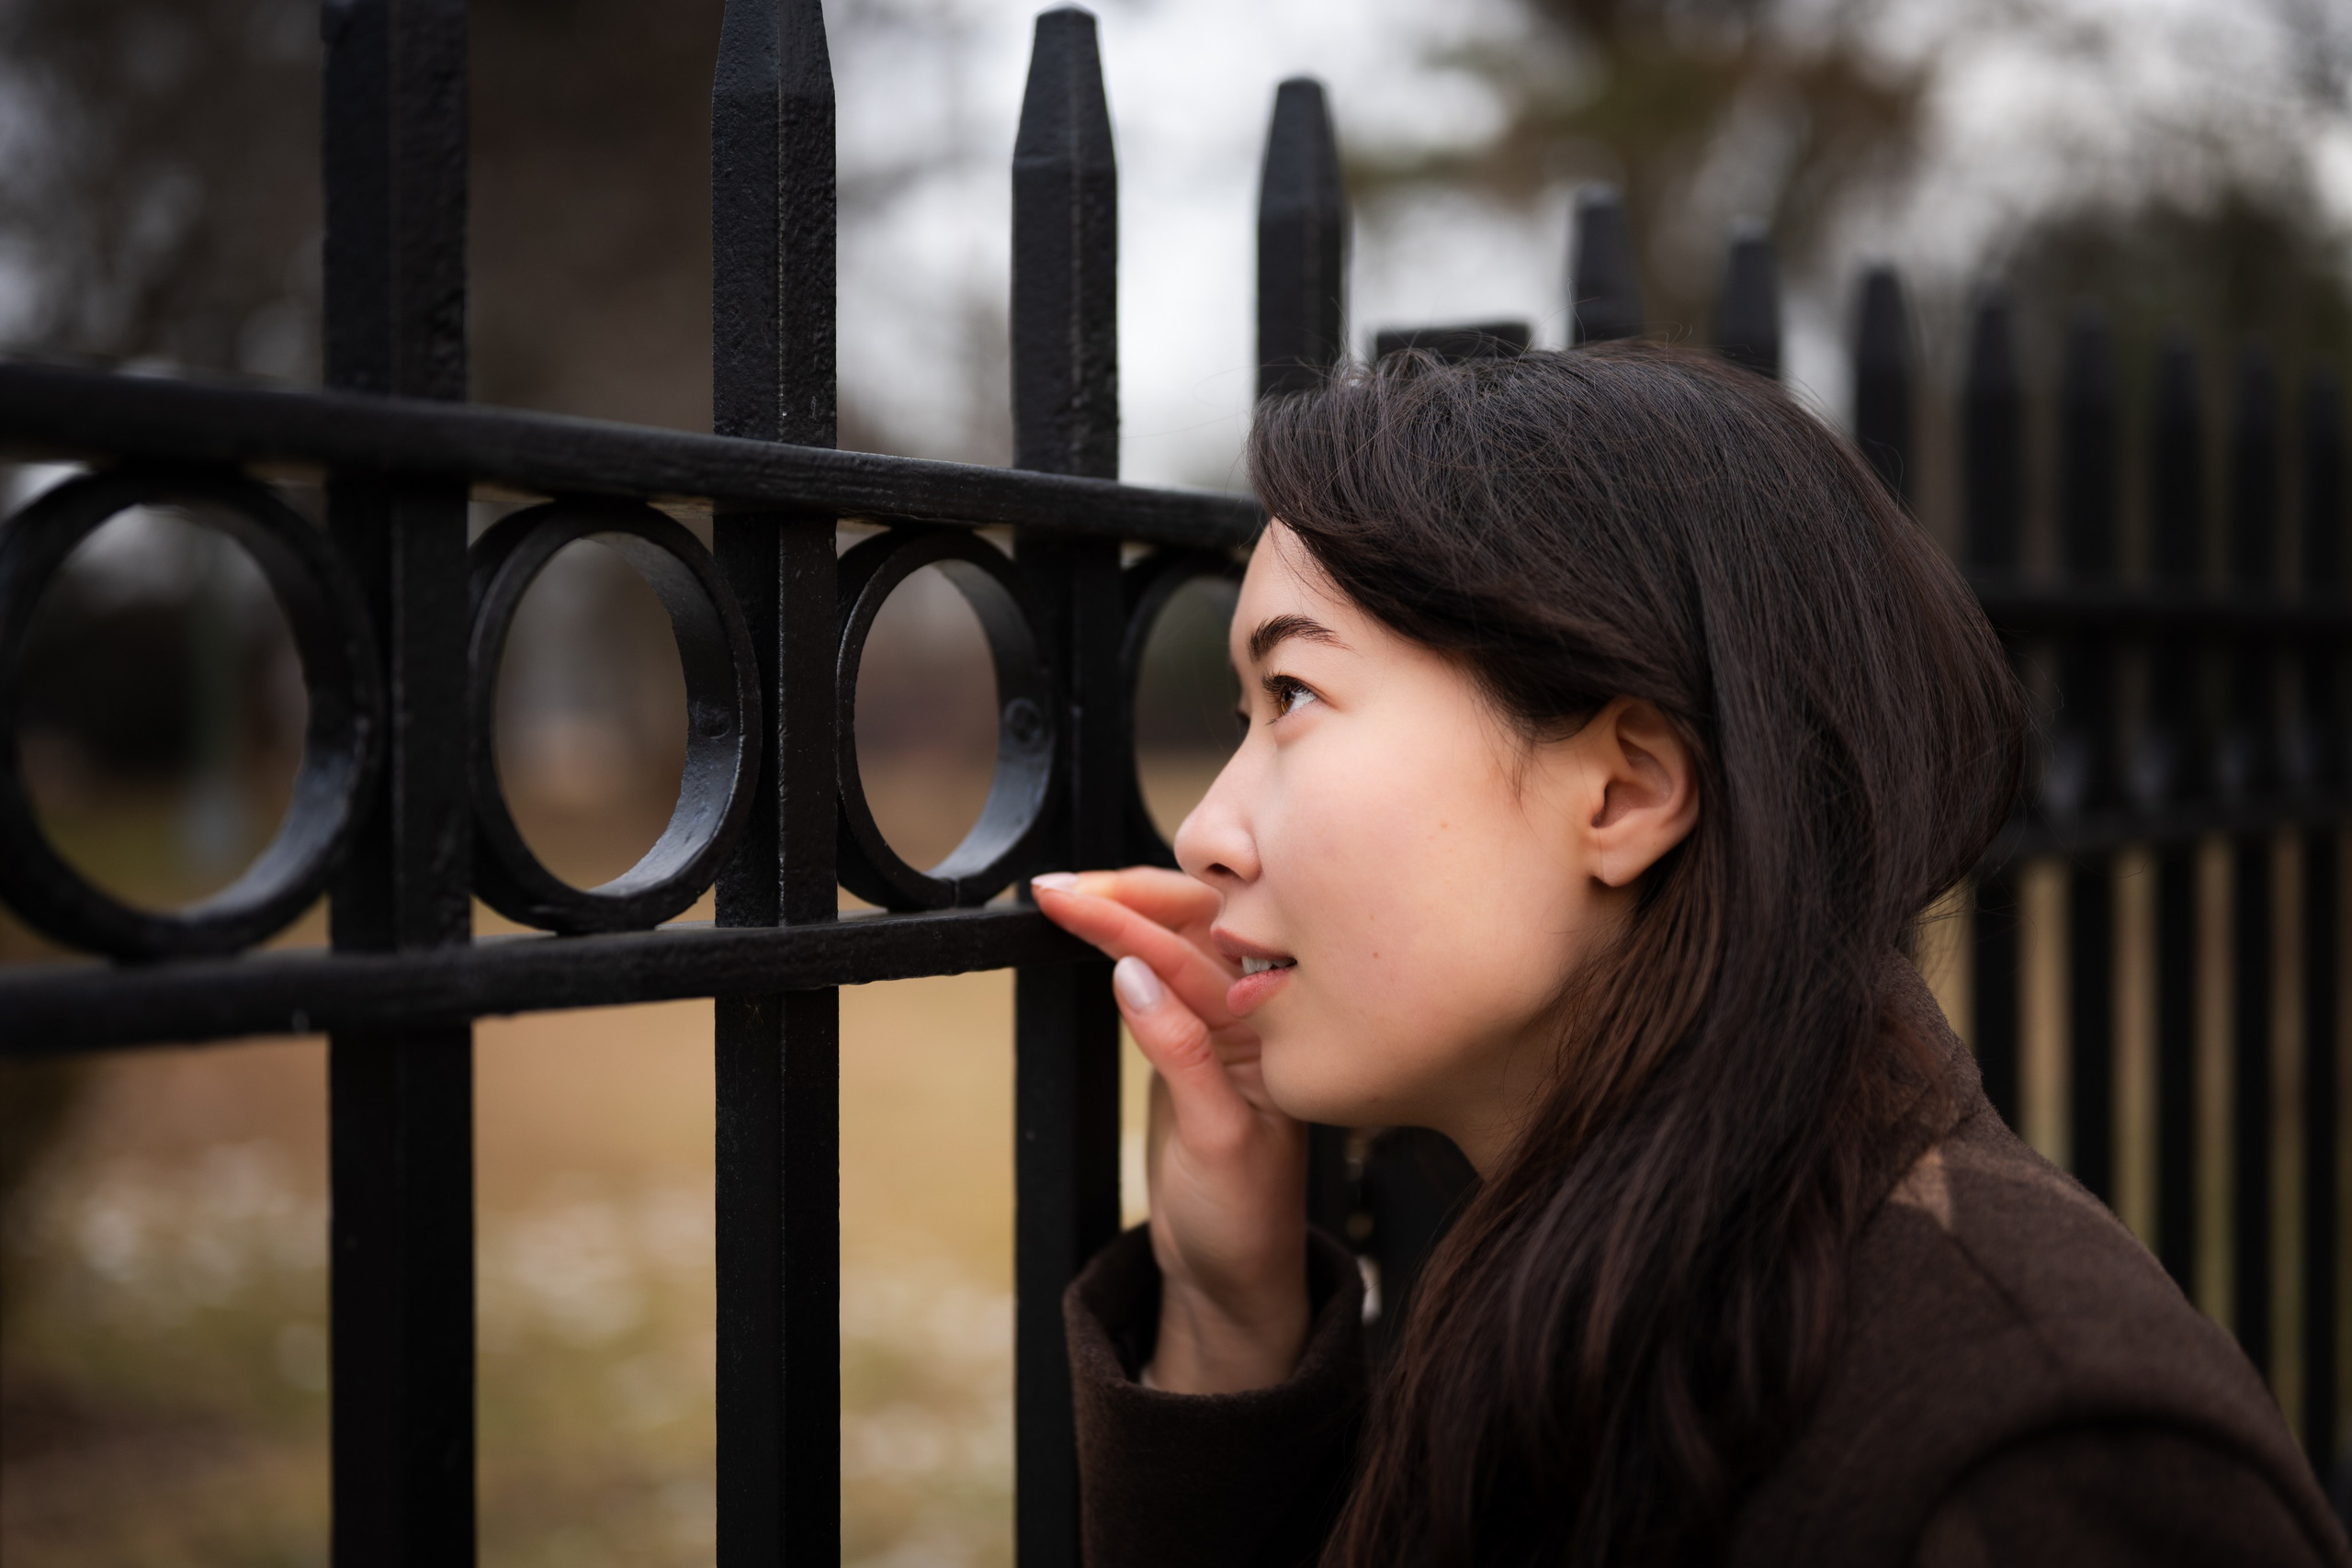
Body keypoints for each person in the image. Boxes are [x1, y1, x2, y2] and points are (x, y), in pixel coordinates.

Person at [1028, 342, 2351, 1567]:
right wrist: (1225, 1321)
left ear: (1622, 796)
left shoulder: (2035, 1444)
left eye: (1295, 698)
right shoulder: (1568, 1265)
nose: (1204, 832)